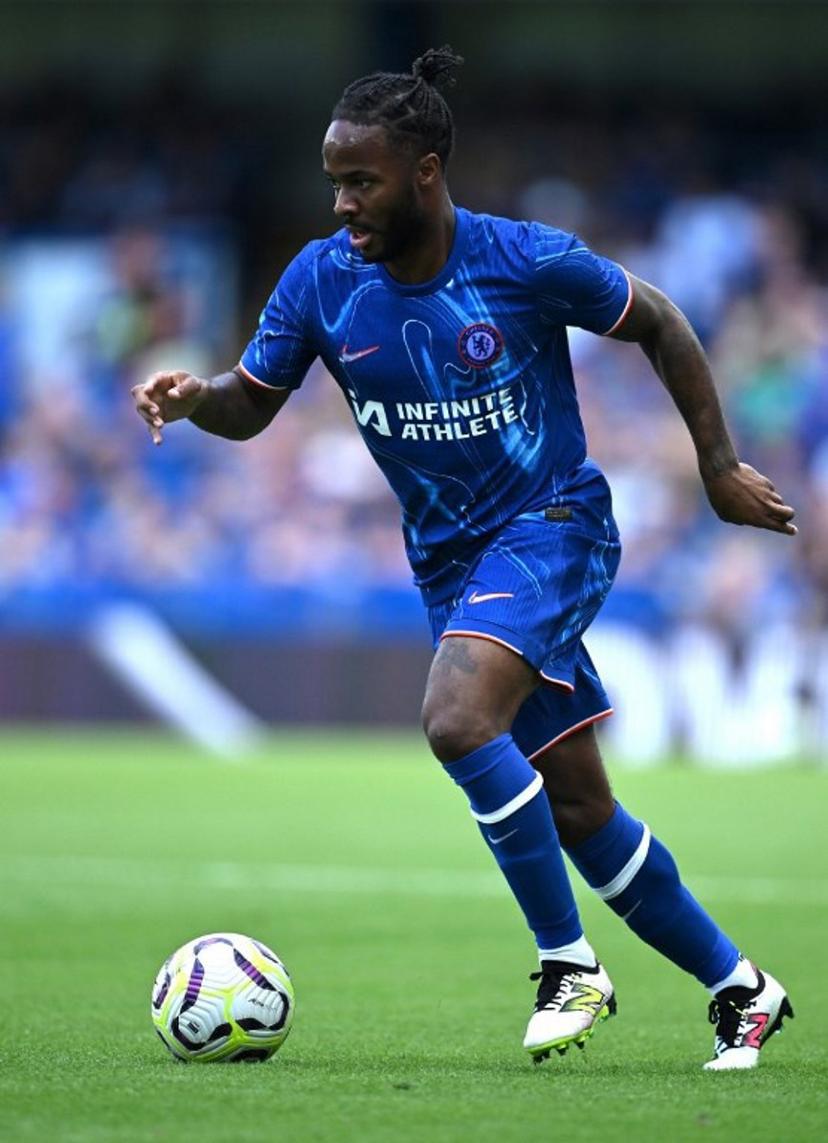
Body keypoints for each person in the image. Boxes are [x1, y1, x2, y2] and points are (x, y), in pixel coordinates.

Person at [131, 46, 796, 1070]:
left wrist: (717, 466)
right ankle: (741, 989)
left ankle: (567, 963)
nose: (344, 202)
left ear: (426, 172)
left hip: (555, 525)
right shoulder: (321, 281)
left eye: (363, 180)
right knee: (577, 804)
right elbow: (251, 407)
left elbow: (659, 320)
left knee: (454, 719)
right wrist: (194, 397)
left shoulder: (521, 261)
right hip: (452, 566)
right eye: (334, 181)